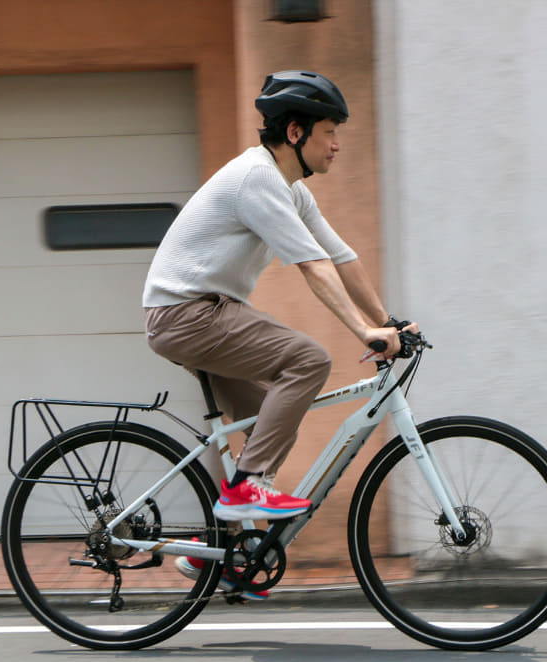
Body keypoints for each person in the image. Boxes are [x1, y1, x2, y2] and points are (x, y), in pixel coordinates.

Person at [143, 70, 414, 598]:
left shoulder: (290, 190)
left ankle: (219, 553)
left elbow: (342, 258)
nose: (337, 144)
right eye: (329, 131)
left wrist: (388, 322)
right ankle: (247, 488)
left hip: (201, 313)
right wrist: (363, 331)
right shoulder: (257, 179)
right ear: (296, 133)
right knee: (308, 362)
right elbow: (313, 267)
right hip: (187, 313)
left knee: (271, 416)